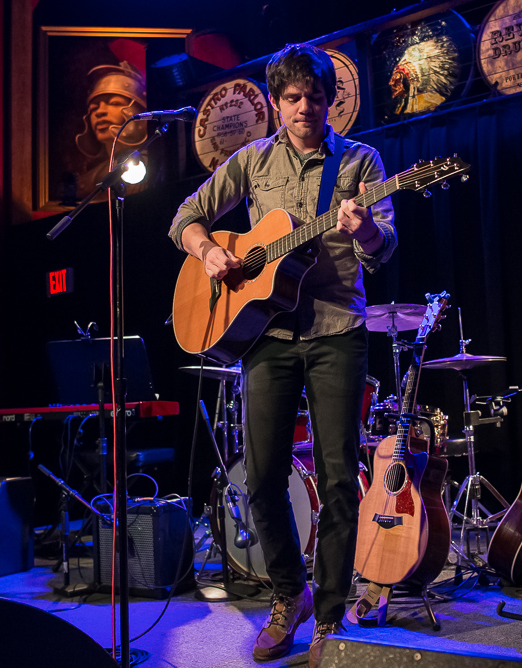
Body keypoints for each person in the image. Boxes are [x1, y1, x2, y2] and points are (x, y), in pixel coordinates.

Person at [168, 43, 396, 667]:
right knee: (263, 478)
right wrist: (210, 252)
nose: (303, 108)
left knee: (339, 478)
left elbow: (383, 248)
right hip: (265, 336)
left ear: (330, 100)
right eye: (292, 98)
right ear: (275, 103)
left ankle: (328, 616)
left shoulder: (361, 162)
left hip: (336, 330)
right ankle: (286, 595)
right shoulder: (248, 161)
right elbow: (186, 217)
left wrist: (364, 228)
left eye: (314, 97)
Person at [74, 61, 148, 201]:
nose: (100, 112)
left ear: (141, 111)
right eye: (94, 108)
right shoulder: (89, 177)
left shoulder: (153, 164)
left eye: (115, 103)